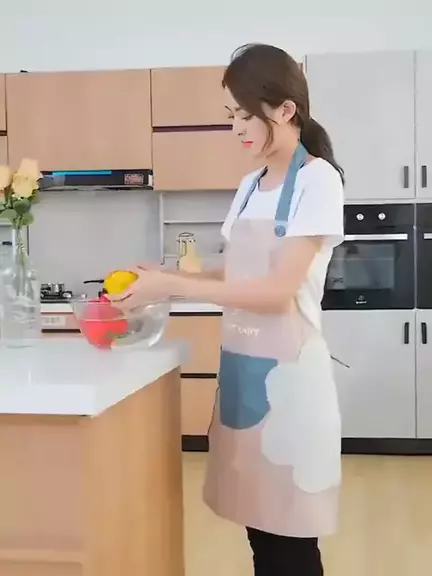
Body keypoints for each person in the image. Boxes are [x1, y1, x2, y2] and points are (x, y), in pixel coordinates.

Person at [112, 43, 344, 575]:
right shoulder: (249, 187)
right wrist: (167, 281)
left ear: (285, 110)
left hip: (290, 384)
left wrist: (174, 283)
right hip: (243, 375)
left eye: (244, 115)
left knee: (290, 541)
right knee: (261, 536)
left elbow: (276, 290)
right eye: (230, 116)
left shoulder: (317, 180)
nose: (235, 128)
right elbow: (238, 272)